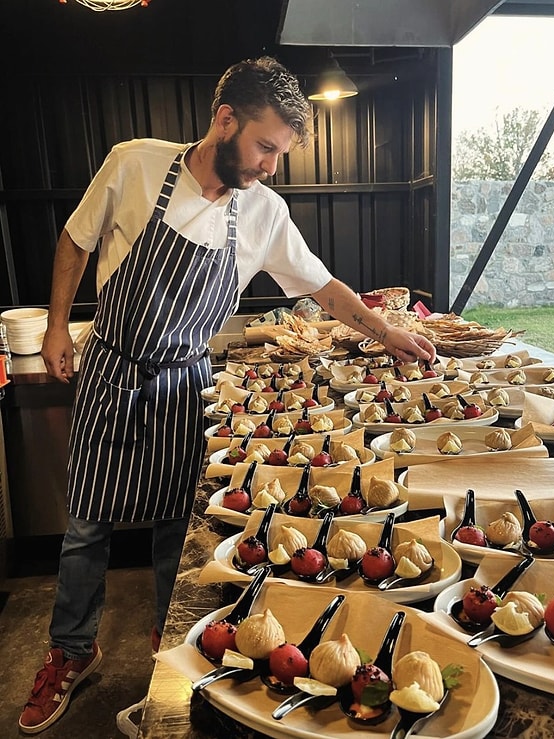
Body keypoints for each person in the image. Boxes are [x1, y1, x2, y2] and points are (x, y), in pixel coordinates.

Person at [19, 55, 436, 734]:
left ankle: (169, 649)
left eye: (282, 152)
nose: (273, 165)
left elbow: (324, 289)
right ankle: (71, 649)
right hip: (110, 367)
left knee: (172, 535)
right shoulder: (135, 163)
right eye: (266, 146)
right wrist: (59, 326)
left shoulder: (264, 214)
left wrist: (388, 329)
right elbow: (73, 238)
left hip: (183, 380)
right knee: (85, 524)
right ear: (225, 120)